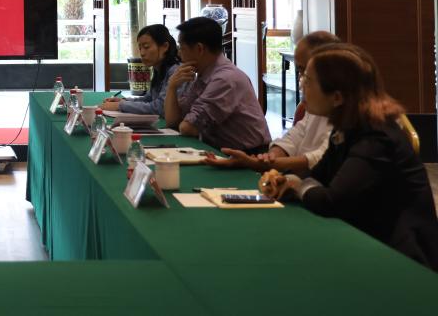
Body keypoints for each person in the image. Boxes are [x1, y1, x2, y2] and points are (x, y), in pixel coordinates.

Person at [259, 44, 438, 270]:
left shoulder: (376, 137)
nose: (301, 84)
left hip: (404, 261)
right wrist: (290, 182)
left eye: (308, 80)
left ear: (336, 97)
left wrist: (297, 186)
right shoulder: (347, 126)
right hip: (368, 242)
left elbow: (331, 201)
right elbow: (318, 177)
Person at [205, 30, 340, 173]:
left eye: (304, 73)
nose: (300, 81)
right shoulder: (316, 107)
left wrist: (258, 164)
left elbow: (321, 159)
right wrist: (271, 157)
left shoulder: (346, 115)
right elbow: (294, 136)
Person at [163, 16, 271, 153]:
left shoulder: (225, 79)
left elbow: (188, 127)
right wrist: (172, 86)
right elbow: (173, 121)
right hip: (223, 151)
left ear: (199, 49)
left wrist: (184, 122)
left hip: (250, 156)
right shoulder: (204, 74)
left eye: (182, 48)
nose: (179, 54)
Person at [101, 24, 180, 117]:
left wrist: (120, 105)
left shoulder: (175, 71)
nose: (142, 53)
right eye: (140, 48)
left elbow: (160, 107)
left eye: (146, 47)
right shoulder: (158, 69)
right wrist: (124, 101)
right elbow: (149, 99)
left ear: (165, 46)